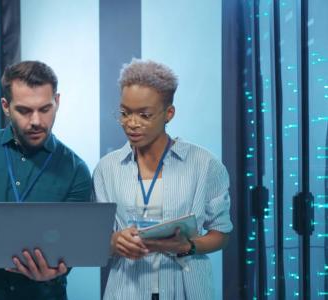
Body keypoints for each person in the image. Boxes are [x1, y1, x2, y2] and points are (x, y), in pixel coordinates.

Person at [0, 60, 92, 300]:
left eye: (45, 109)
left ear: (58, 102)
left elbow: (72, 243)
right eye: (24, 110)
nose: (36, 121)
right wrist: (12, 239)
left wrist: (54, 269)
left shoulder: (76, 170)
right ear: (6, 106)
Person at [93, 59, 233, 300]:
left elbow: (221, 234)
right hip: (127, 290)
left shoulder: (204, 164)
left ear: (169, 113)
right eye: (125, 113)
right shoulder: (107, 168)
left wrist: (188, 246)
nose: (132, 123)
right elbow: (95, 240)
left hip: (187, 288)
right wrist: (114, 242)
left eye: (144, 115)